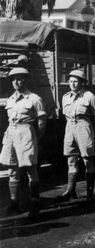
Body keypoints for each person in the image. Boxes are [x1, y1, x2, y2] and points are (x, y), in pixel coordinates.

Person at [0, 68, 46, 219]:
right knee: (12, 170)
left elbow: (41, 122)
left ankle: (35, 203)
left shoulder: (34, 99)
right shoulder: (11, 99)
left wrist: (35, 139)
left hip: (26, 133)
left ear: (26, 80)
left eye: (19, 79)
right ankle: (14, 203)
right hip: (11, 134)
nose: (16, 82)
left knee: (30, 169)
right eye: (13, 79)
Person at [58, 70, 95, 203]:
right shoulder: (65, 97)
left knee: (87, 160)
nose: (73, 83)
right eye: (71, 81)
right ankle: (71, 190)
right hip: (70, 127)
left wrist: (89, 130)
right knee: (71, 160)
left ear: (82, 83)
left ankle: (90, 192)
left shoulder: (89, 96)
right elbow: (65, 115)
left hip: (84, 127)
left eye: (76, 81)